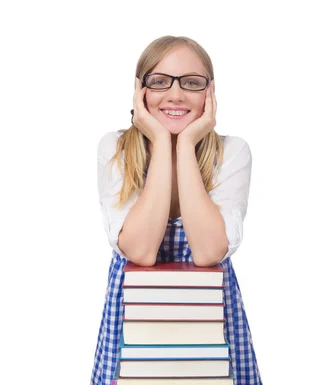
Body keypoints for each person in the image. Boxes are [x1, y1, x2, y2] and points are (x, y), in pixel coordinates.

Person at [91, 36, 262, 385]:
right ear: (140, 92)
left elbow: (208, 252)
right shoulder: (115, 148)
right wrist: (157, 139)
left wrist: (183, 143)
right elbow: (140, 251)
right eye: (159, 81)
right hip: (135, 321)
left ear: (209, 94)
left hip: (210, 320)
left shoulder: (233, 152)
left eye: (192, 83)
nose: (176, 94)